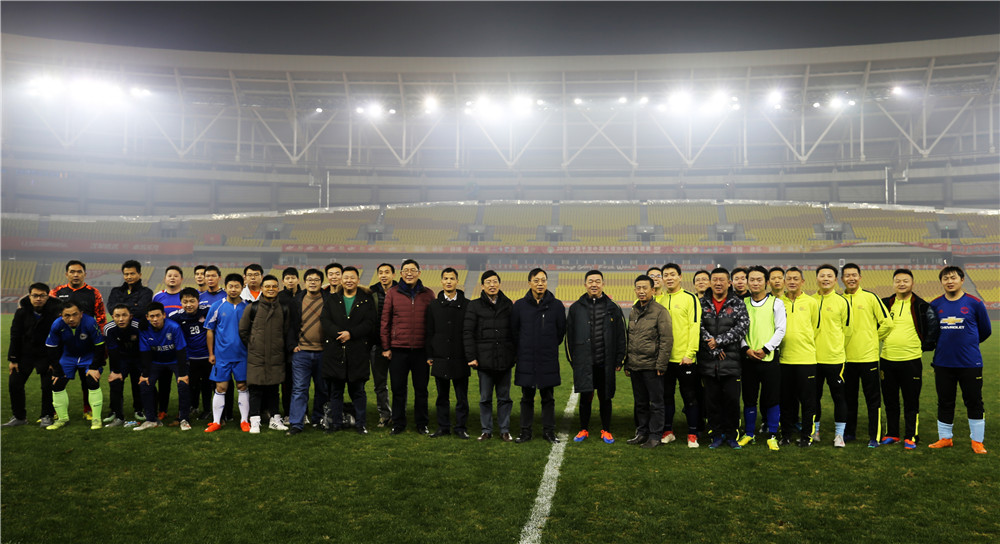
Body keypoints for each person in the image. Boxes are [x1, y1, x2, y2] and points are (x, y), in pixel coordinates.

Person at [928, 266, 991, 454]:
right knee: (945, 401)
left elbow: (985, 330)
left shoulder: (975, 303)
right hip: (943, 363)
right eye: (945, 278)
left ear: (962, 280)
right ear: (941, 282)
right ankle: (945, 438)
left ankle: (977, 441)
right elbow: (932, 331)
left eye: (953, 277)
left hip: (970, 363)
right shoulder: (935, 304)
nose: (949, 281)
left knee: (974, 401)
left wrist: (968, 344)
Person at [879, 269, 938, 449]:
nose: (901, 284)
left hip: (911, 360)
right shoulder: (885, 304)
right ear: (893, 283)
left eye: (905, 280)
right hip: (887, 359)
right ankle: (892, 433)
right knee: (890, 400)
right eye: (898, 281)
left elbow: (933, 328)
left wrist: (925, 346)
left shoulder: (922, 306)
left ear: (912, 283)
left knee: (911, 401)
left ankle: (911, 435)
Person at [566, 270, 626, 444]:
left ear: (603, 284)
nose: (594, 284)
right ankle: (583, 429)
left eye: (597, 281)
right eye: (591, 281)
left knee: (605, 397)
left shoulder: (613, 307)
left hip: (605, 362)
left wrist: (619, 359)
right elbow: (569, 337)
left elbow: (621, 335)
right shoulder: (576, 308)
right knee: (585, 398)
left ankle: (606, 430)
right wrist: (573, 360)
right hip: (584, 362)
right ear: (585, 284)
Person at [840, 263, 893, 448]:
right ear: (842, 279)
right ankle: (850, 432)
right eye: (847, 275)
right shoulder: (839, 300)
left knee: (873, 400)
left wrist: (873, 338)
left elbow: (887, 323)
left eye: (854, 275)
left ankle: (874, 436)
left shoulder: (871, 297)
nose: (851, 278)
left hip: (868, 358)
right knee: (849, 399)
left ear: (860, 277)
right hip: (846, 359)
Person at [512, 268, 566, 444]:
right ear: (529, 283)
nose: (540, 284)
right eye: (536, 280)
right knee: (526, 398)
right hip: (526, 359)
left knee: (548, 398)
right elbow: (515, 332)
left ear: (547, 282)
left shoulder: (556, 306)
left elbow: (560, 332)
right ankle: (525, 432)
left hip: (547, 359)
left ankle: (549, 432)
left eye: (543, 280)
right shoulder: (519, 306)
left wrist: (547, 345)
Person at [381, 259, 435, 435]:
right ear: (401, 273)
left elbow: (433, 324)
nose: (409, 273)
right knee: (398, 389)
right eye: (406, 270)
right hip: (398, 350)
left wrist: (431, 351)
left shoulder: (428, 294)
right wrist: (386, 347)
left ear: (419, 273)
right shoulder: (393, 293)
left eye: (413, 270)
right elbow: (385, 322)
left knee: (421, 390)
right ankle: (398, 423)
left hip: (421, 351)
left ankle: (422, 424)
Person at [699, 268, 750, 450]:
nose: (718, 283)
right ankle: (716, 435)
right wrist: (713, 347)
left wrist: (719, 341)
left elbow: (742, 327)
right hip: (708, 362)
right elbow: (697, 326)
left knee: (732, 402)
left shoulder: (737, 303)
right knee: (712, 402)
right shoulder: (701, 303)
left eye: (722, 280)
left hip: (731, 361)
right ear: (710, 282)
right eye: (715, 279)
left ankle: (731, 435)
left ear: (729, 283)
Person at [321, 266, 376, 434]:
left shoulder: (366, 300)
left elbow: (370, 323)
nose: (349, 280)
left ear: (358, 280)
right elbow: (325, 320)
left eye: (352, 277)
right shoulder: (332, 299)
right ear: (341, 280)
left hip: (357, 352)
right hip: (335, 351)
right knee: (336, 392)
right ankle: (336, 423)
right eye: (346, 278)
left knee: (358, 391)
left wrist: (351, 334)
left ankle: (361, 424)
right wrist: (340, 334)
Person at [50, 260, 106, 421]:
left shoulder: (93, 292)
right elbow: (50, 316)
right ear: (66, 274)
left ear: (85, 274)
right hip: (63, 344)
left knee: (87, 379)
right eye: (72, 272)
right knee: (55, 377)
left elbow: (101, 318)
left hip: (87, 343)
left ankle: (88, 409)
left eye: (79, 272)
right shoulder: (56, 292)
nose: (76, 275)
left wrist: (102, 346)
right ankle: (53, 411)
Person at [464, 270, 516, 442]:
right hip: (483, 361)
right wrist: (471, 357)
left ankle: (504, 430)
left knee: (504, 398)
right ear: (482, 286)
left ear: (499, 284)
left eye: (495, 281)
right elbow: (468, 333)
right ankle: (486, 430)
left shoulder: (508, 304)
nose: (492, 285)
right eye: (488, 282)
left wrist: (513, 356)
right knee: (485, 398)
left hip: (504, 360)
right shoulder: (474, 306)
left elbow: (515, 332)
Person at [739, 265, 786, 451]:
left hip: (769, 359)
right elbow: (738, 330)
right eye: (752, 280)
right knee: (749, 398)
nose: (755, 283)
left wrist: (766, 349)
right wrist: (746, 349)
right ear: (747, 282)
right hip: (749, 359)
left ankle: (772, 435)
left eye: (759, 280)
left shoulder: (776, 303)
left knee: (772, 399)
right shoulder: (743, 303)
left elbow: (780, 329)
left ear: (766, 282)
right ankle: (749, 434)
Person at [625, 274, 672, 449]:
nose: (641, 291)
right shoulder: (633, 311)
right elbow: (630, 338)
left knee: (656, 403)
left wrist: (661, 364)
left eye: (645, 288)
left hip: (652, 366)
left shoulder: (660, 311)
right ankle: (642, 432)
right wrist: (628, 363)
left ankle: (655, 436)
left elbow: (666, 339)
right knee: (640, 403)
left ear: (652, 289)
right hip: (635, 366)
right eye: (638, 288)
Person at [4, 283, 61, 428]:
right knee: (14, 383)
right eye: (35, 295)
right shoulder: (21, 312)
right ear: (29, 296)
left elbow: (59, 337)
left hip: (46, 355)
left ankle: (46, 416)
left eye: (42, 296)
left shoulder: (56, 313)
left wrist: (54, 362)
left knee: (48, 386)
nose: (38, 299)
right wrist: (13, 359)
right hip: (25, 354)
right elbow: (15, 335)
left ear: (47, 297)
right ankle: (19, 417)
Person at [659, 263, 703, 448]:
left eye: (672, 274)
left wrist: (690, 353)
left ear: (680, 277)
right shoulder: (660, 300)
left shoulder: (690, 298)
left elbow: (695, 326)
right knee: (666, 397)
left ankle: (692, 434)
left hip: (685, 359)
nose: (669, 278)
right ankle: (668, 432)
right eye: (666, 275)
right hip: (665, 360)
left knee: (690, 398)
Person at [43, 300, 106, 430]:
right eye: (67, 315)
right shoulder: (57, 324)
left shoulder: (90, 322)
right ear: (61, 315)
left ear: (81, 314)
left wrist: (94, 367)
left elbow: (100, 346)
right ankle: (62, 419)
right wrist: (57, 370)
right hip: (68, 357)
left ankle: (96, 419)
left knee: (92, 381)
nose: (71, 319)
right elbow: (51, 347)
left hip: (88, 356)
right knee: (57, 383)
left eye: (75, 314)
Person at [239, 275, 290, 434]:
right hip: (257, 356)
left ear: (278, 288)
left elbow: (286, 332)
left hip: (276, 355)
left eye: (274, 286)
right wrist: (253, 345)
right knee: (256, 389)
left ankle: (275, 419)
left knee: (274, 389)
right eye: (267, 286)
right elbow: (243, 331)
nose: (271, 289)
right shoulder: (252, 308)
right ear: (262, 288)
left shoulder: (283, 309)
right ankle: (255, 420)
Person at [426, 268, 471, 439]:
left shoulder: (467, 304)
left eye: (452, 278)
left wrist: (470, 355)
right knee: (442, 396)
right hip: (440, 357)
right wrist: (430, 355)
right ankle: (443, 427)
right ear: (441, 281)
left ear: (457, 281)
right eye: (446, 278)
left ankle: (461, 427)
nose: (449, 281)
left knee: (462, 397)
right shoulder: (434, 305)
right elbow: (429, 331)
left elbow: (469, 332)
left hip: (461, 357)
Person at [286, 269, 331, 435]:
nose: (313, 282)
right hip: (302, 352)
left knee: (322, 389)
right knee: (299, 389)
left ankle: (318, 419)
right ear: (304, 282)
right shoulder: (296, 301)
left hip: (323, 352)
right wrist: (292, 345)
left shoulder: (329, 300)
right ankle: (296, 423)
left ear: (321, 283)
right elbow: (289, 325)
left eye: (316, 280)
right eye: (310, 280)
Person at [133, 302, 192, 431]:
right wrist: (145, 374)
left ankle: (184, 419)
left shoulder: (174, 327)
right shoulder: (144, 329)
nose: (155, 319)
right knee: (144, 384)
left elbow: (181, 351)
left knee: (183, 384)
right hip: (157, 362)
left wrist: (182, 374)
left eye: (158, 315)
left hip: (175, 361)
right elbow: (145, 352)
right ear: (147, 317)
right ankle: (151, 420)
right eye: (152, 316)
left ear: (164, 315)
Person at [778, 267, 820, 447]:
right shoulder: (778, 302)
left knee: (808, 401)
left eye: (796, 278)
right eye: (789, 279)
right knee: (786, 401)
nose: (792, 282)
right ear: (784, 282)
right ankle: (786, 435)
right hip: (784, 359)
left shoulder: (811, 302)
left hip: (806, 359)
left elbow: (815, 327)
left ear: (802, 281)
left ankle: (806, 436)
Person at [812, 264, 852, 447]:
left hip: (835, 359)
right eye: (822, 275)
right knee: (813, 397)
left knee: (839, 397)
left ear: (835, 280)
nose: (825, 279)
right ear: (817, 278)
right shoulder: (810, 301)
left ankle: (839, 435)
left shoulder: (842, 302)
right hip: (812, 359)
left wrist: (836, 348)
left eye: (829, 276)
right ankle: (815, 431)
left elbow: (848, 331)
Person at [204, 273, 250, 433]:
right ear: (226, 287)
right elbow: (210, 330)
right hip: (222, 356)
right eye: (231, 286)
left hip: (242, 356)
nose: (233, 289)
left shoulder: (248, 307)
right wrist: (211, 353)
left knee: (242, 386)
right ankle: (216, 421)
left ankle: (244, 421)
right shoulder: (217, 306)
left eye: (237, 286)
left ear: (242, 287)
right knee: (221, 387)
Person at [169, 288, 212, 421]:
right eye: (185, 301)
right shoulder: (176, 316)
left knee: (207, 385)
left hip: (207, 356)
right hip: (190, 357)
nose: (189, 305)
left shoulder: (208, 310)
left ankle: (207, 410)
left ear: (198, 301)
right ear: (181, 302)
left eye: (192, 301)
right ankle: (193, 407)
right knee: (191, 384)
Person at [152, 265, 185, 421]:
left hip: (181, 344)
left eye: (176, 276)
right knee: (163, 382)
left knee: (182, 381)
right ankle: (162, 410)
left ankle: (183, 411)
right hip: (163, 345)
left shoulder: (185, 295)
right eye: (169, 275)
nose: (172, 278)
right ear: (165, 278)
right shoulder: (158, 296)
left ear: (181, 279)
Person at [102, 304, 142, 427]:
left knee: (139, 383)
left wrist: (145, 369)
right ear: (112, 317)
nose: (121, 319)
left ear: (130, 316)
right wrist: (115, 371)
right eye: (117, 316)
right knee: (115, 382)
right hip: (120, 359)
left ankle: (139, 409)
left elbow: (144, 348)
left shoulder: (138, 326)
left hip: (137, 358)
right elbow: (112, 351)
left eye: (124, 315)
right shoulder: (109, 328)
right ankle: (116, 413)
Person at [369, 262, 397, 427]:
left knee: (398, 383)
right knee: (380, 383)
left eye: (387, 272)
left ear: (393, 274)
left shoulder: (401, 291)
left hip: (397, 344)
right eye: (381, 272)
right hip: (377, 344)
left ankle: (398, 415)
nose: (384, 275)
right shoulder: (371, 292)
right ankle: (385, 415)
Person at [277, 267, 301, 421]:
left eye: (293, 278)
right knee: (287, 382)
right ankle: (287, 412)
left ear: (298, 279)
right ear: (283, 281)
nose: (290, 281)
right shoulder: (279, 297)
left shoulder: (304, 295)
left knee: (302, 383)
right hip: (283, 346)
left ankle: (302, 412)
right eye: (287, 278)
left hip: (303, 344)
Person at [106, 259, 153, 328]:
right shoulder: (115, 291)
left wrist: (120, 306)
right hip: (117, 328)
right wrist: (134, 305)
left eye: (132, 274)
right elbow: (111, 308)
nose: (129, 277)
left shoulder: (147, 292)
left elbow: (141, 311)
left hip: (138, 329)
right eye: (126, 274)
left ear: (140, 275)